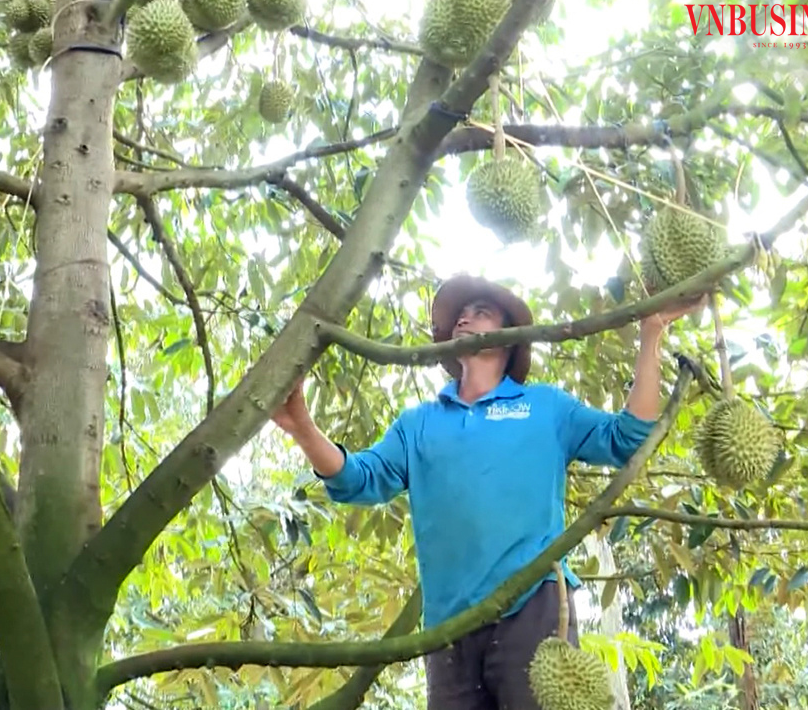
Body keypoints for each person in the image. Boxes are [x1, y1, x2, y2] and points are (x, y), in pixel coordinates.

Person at [271, 274, 702, 710]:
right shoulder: (419, 423)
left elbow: (627, 438)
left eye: (481, 312)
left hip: (533, 609)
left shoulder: (545, 407)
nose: (464, 318)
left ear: (510, 337)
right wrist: (303, 428)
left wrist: (651, 336)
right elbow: (359, 480)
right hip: (448, 629)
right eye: (461, 314)